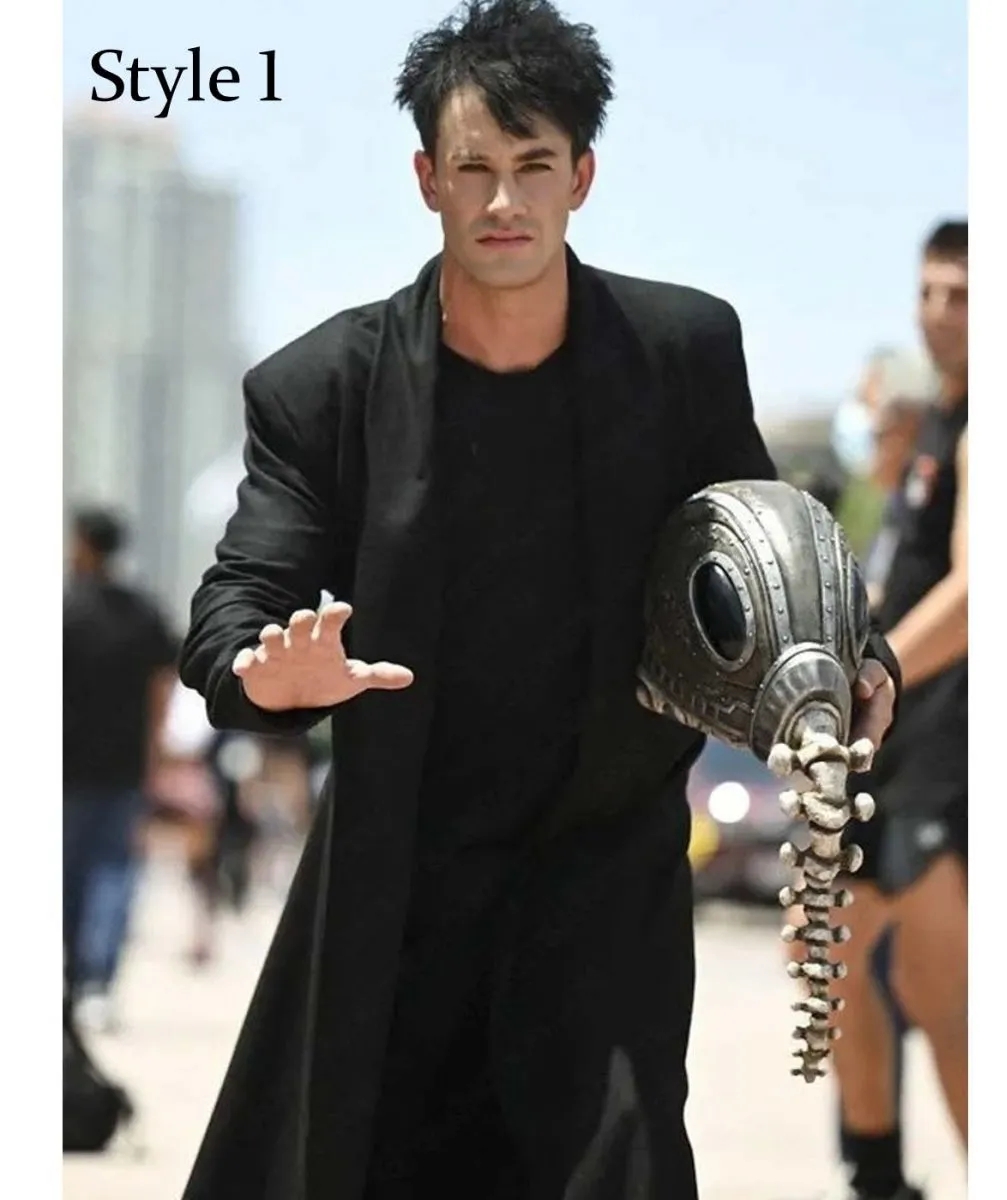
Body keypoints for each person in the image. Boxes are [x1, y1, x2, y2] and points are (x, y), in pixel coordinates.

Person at [177, 4, 900, 1198]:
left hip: (604, 870)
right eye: (473, 169)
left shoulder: (679, 351)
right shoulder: (323, 387)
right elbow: (240, 592)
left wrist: (857, 658)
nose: (503, 201)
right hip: (405, 879)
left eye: (533, 166)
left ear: (582, 177)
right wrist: (264, 669)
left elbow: (770, 545)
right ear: (427, 180)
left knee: (620, 1167)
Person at [815, 223, 968, 1200]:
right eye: (928, 292)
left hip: (944, 749)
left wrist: (874, 677)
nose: (939, 314)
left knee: (937, 993)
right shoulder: (932, 435)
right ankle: (877, 1178)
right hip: (891, 748)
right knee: (830, 955)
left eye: (964, 295)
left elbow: (980, 591)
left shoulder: (988, 426)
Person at [63, 506, 179, 1033]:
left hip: (65, 767)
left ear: (83, 544)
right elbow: (162, 687)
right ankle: (97, 985)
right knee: (113, 875)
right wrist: (155, 753)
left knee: (68, 876)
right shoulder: (143, 611)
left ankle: (71, 980)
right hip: (125, 765)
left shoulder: (64, 608)